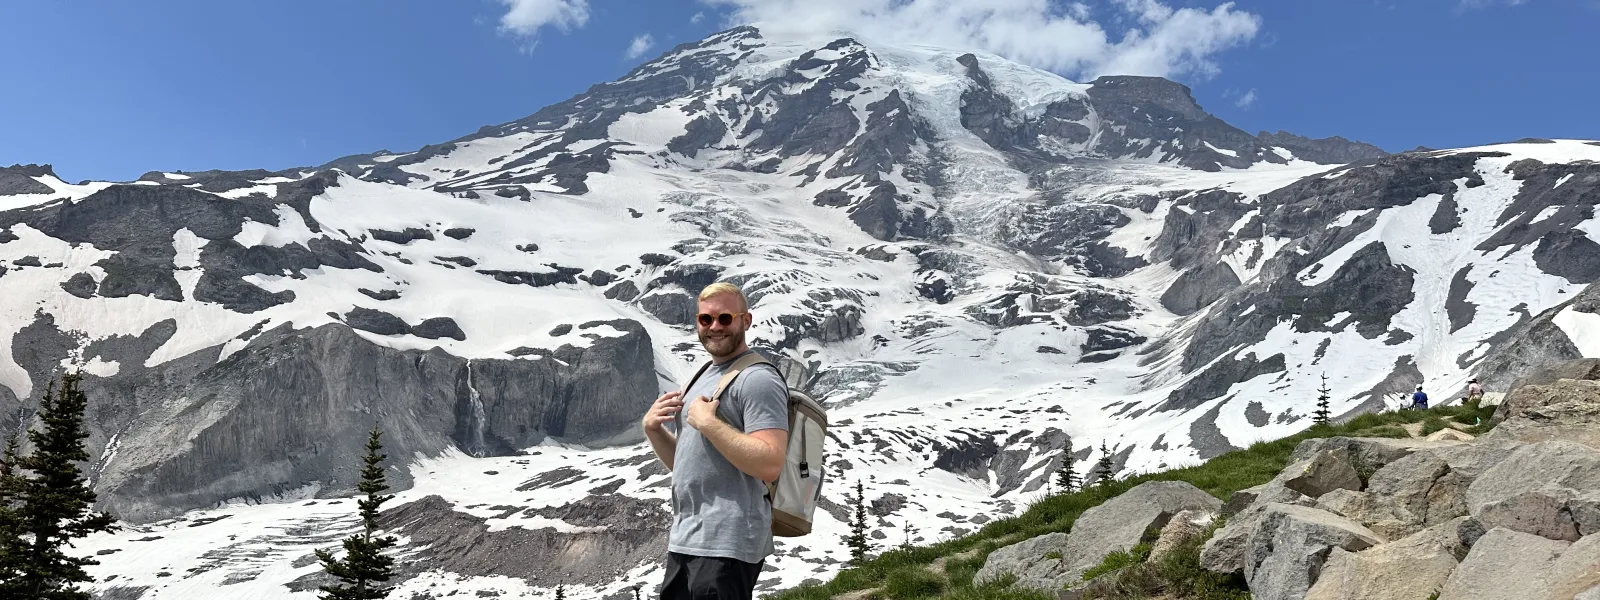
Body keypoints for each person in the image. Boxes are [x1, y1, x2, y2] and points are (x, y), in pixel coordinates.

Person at [641, 281, 790, 600]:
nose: (714, 327)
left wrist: (709, 424)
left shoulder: (757, 379)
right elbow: (688, 464)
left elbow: (770, 463)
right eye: (705, 319)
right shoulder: (703, 375)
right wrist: (654, 430)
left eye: (725, 318)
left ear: (745, 321)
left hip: (727, 542)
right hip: (686, 540)